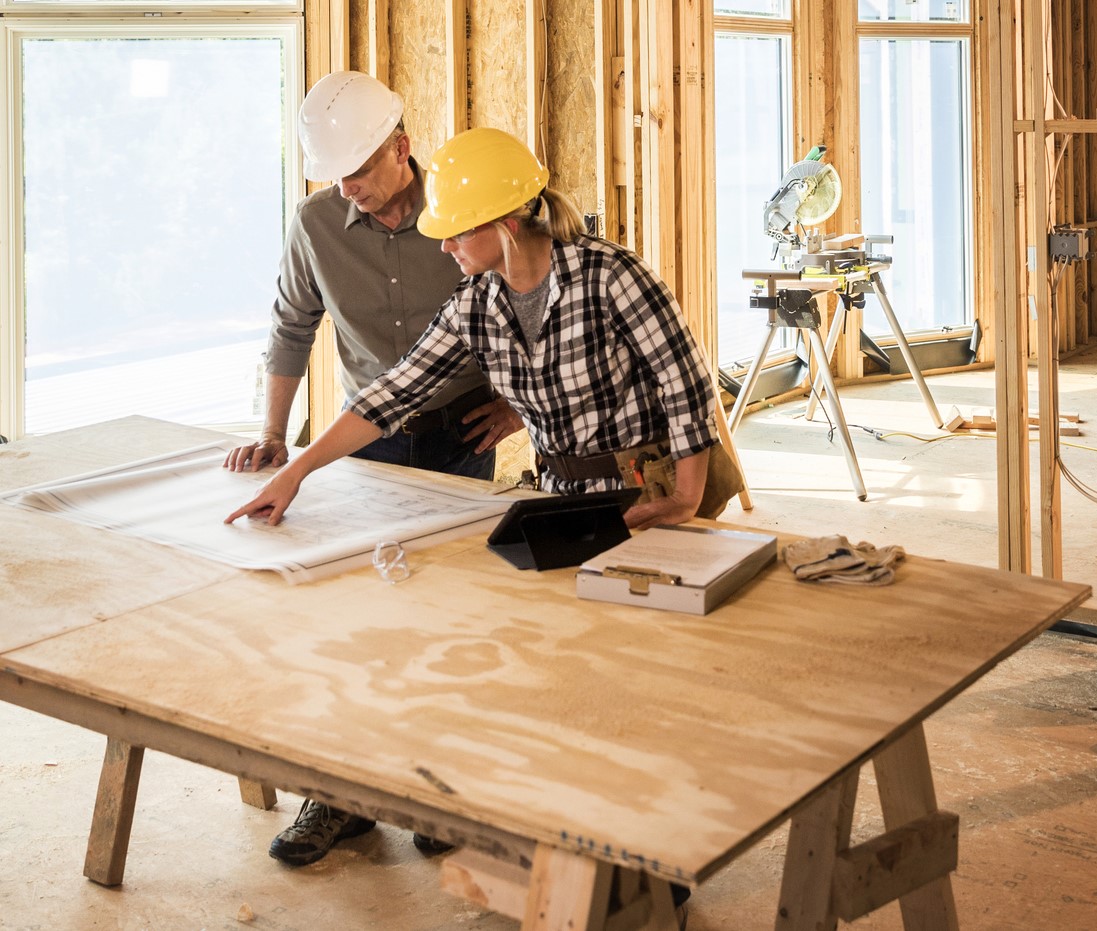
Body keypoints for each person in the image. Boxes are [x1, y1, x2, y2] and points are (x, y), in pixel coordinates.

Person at [224, 74, 521, 869]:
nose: (350, 186)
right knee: (352, 618)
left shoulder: (459, 210)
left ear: (402, 146)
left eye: (360, 167)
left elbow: (532, 308)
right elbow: (291, 324)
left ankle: (435, 787)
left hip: (461, 431)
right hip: (366, 437)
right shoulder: (316, 223)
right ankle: (343, 794)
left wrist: (516, 409)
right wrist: (274, 435)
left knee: (452, 617)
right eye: (338, 174)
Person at [225, 126, 731, 535]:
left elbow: (684, 385)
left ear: (505, 226)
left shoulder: (610, 276)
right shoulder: (475, 306)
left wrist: (685, 497)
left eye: (456, 233)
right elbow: (390, 394)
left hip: (647, 487)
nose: (445, 248)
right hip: (559, 494)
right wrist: (296, 472)